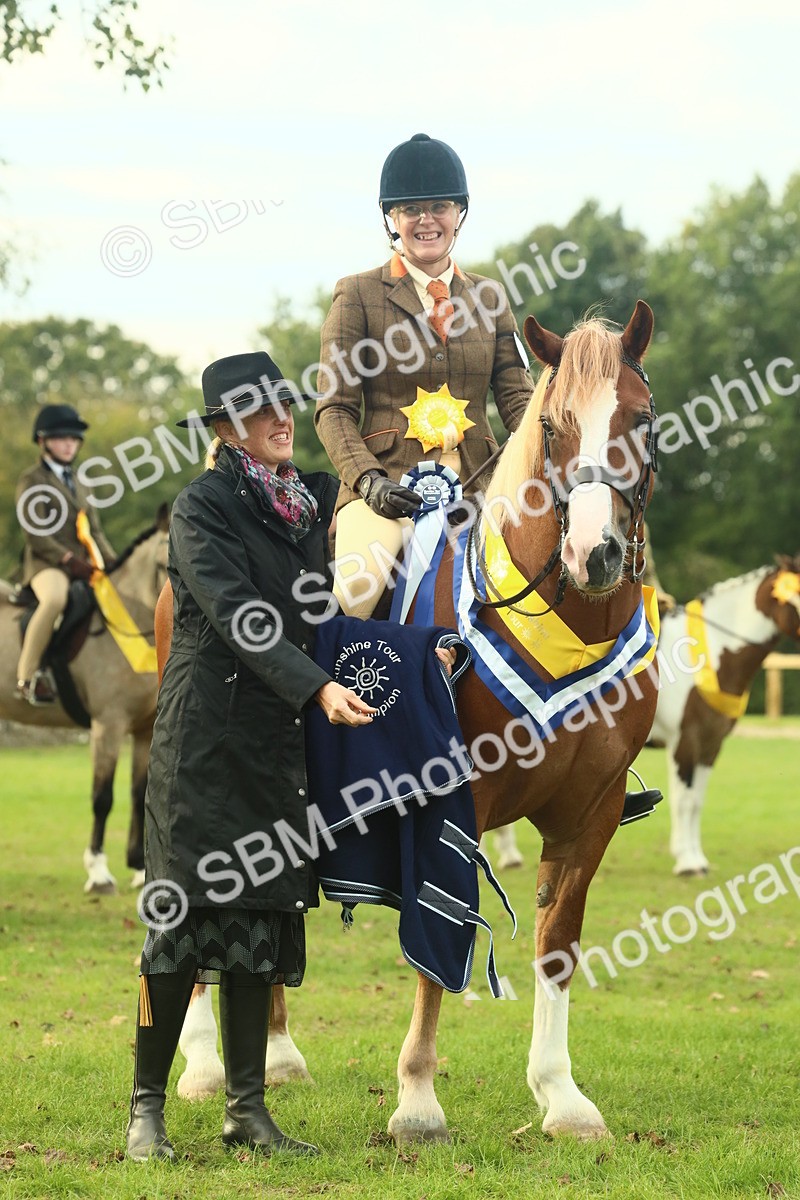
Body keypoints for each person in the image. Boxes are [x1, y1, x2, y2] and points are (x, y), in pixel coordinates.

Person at [126, 352, 379, 1163]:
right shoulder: (201, 506)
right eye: (261, 410)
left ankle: (247, 1113)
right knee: (182, 925)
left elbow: (320, 617)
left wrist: (416, 657)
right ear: (227, 428)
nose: (283, 419)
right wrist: (315, 689)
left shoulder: (305, 507)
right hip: (203, 741)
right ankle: (146, 1113)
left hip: (275, 745)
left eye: (285, 406)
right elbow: (238, 614)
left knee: (255, 927)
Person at [315, 132, 533, 617]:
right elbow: (334, 409)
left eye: (439, 206)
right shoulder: (357, 295)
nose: (426, 220)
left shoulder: (490, 298)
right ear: (392, 219)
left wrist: (552, 448)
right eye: (411, 209)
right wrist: (368, 481)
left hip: (484, 488)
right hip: (387, 493)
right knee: (355, 592)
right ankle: (323, 691)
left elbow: (518, 399)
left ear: (459, 213)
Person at [15, 404, 116, 705]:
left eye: (74, 439)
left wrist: (113, 562)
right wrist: (69, 560)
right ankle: (27, 676)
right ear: (43, 441)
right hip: (47, 563)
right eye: (61, 438)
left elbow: (94, 530)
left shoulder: (82, 482)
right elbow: (35, 533)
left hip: (84, 564)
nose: (69, 444)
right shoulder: (31, 479)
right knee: (55, 599)